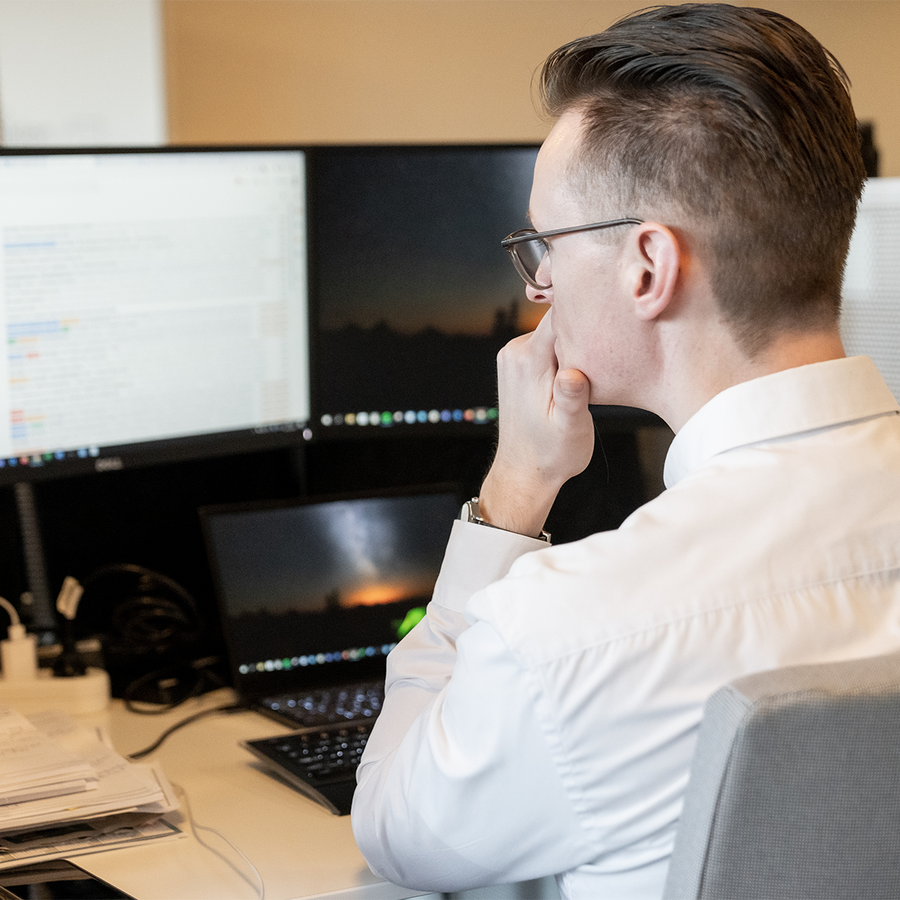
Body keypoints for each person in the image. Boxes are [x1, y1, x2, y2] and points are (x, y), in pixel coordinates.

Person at [351, 4, 900, 898]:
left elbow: (393, 828)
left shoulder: (570, 630)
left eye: (546, 244)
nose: (540, 283)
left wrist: (513, 491)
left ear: (648, 266)